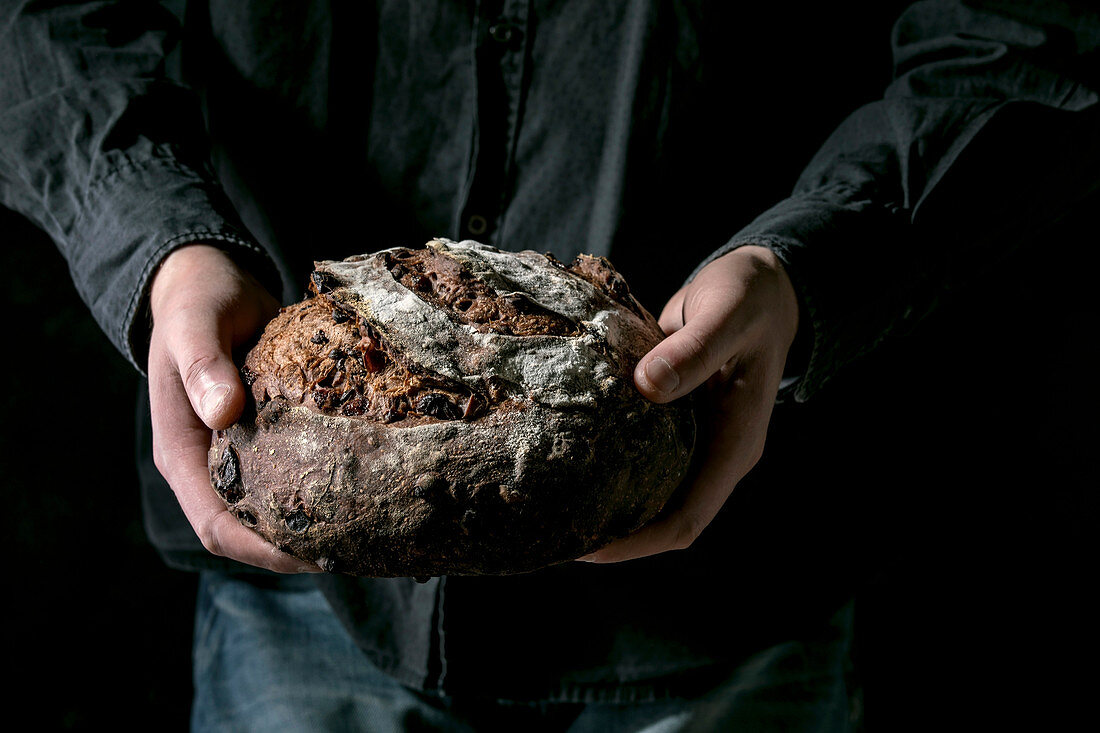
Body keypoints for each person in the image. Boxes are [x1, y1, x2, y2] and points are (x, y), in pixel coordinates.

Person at [2, 1, 1096, 730]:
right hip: (305, 595)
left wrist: (809, 265)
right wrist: (153, 239)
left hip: (733, 571)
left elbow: (1020, 30)